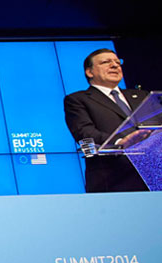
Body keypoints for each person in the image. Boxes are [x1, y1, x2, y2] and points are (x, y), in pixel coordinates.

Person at [64, 48, 150, 192]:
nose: (115, 65)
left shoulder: (142, 96)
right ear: (89, 72)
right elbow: (84, 132)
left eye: (117, 62)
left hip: (152, 172)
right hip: (112, 178)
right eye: (106, 62)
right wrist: (120, 142)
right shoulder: (78, 100)